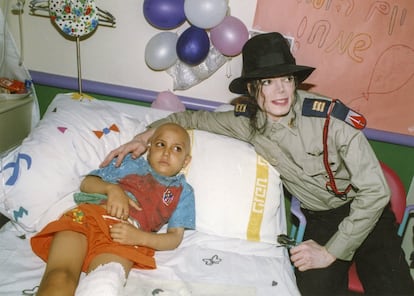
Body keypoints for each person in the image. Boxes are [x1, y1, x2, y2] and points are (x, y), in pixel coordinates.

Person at [101, 32, 414, 295]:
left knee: (395, 286)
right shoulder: (247, 122)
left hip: (366, 211)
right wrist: (144, 138)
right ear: (252, 89)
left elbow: (375, 192)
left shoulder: (332, 120)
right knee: (313, 288)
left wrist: (331, 252)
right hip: (321, 217)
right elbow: (190, 118)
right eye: (268, 82)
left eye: (287, 79)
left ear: (295, 82)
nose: (280, 90)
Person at [31, 123, 194, 296]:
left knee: (103, 284)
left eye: (177, 148)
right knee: (59, 277)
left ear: (186, 161)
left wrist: (140, 237)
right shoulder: (129, 163)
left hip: (123, 236)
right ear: (149, 148)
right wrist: (112, 189)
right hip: (86, 218)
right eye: (160, 144)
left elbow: (174, 238)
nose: (166, 152)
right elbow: (86, 183)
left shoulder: (182, 191)